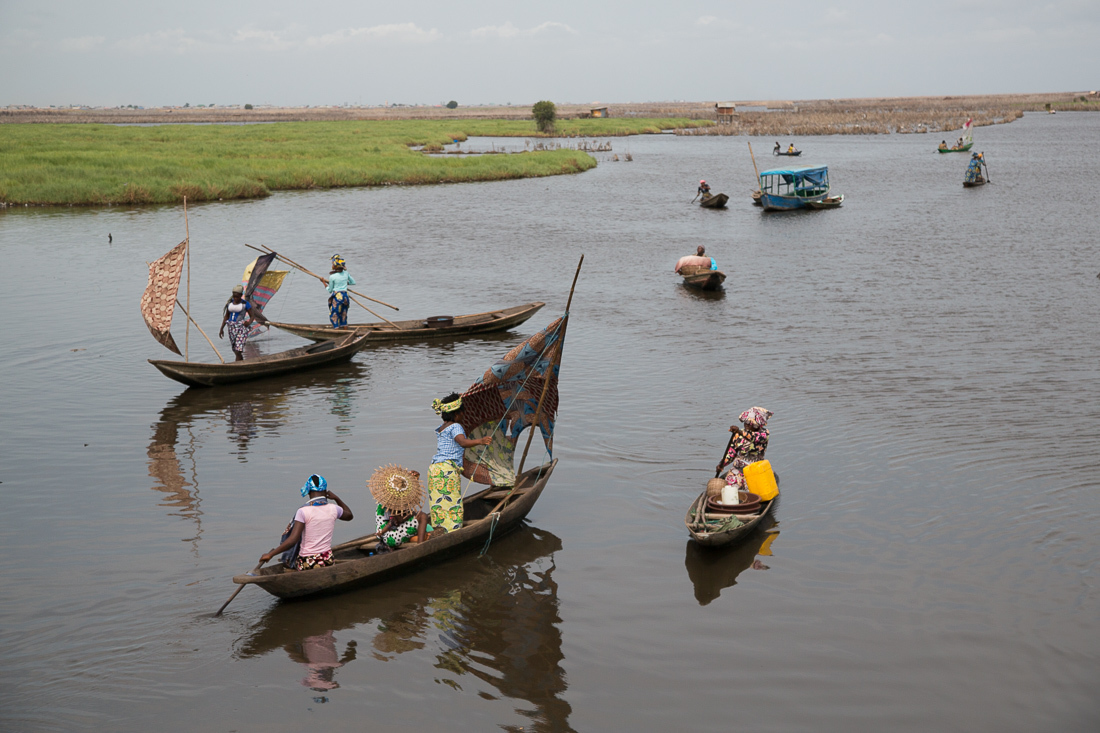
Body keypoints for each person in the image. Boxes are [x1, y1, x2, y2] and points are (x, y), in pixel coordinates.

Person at [428, 393, 492, 533]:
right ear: (457, 414)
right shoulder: (456, 426)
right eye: (462, 412)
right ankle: (453, 532)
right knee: (452, 503)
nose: (464, 415)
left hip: (435, 469)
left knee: (439, 503)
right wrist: (480, 441)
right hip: (447, 470)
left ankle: (440, 530)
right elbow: (462, 442)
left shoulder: (442, 427)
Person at [260, 474, 354, 570]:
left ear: (308, 491)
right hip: (327, 560)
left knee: (288, 561)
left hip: (307, 562)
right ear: (325, 492)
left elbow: (293, 540)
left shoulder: (303, 511)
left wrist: (270, 554)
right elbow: (349, 515)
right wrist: (336, 498)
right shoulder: (334, 509)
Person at [715, 407, 773, 489]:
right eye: (745, 422)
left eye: (750, 423)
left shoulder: (764, 434)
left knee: (752, 490)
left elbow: (752, 437)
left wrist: (739, 432)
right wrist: (721, 464)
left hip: (755, 469)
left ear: (757, 424)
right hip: (738, 468)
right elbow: (731, 453)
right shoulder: (738, 434)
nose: (746, 424)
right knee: (729, 488)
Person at [375, 470, 432, 549]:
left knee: (417, 518)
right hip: (390, 538)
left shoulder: (385, 498)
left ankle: (416, 539)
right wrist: (413, 514)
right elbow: (399, 520)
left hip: (382, 535)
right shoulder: (394, 501)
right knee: (423, 516)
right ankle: (420, 547)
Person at [219, 284, 268, 361]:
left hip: (241, 328)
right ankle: (242, 364)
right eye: (234, 296)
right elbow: (226, 316)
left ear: (241, 295)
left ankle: (237, 366)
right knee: (235, 350)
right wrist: (221, 328)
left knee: (238, 350)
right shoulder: (230, 304)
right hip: (231, 328)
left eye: (237, 297)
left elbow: (252, 316)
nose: (235, 298)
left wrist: (248, 323)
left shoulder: (245, 304)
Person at [326, 254, 357, 328]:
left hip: (337, 297)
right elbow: (353, 282)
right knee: (344, 315)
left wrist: (323, 282)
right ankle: (345, 329)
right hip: (345, 297)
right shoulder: (346, 273)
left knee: (334, 316)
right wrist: (345, 283)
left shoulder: (332, 277)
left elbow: (330, 290)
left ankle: (336, 331)